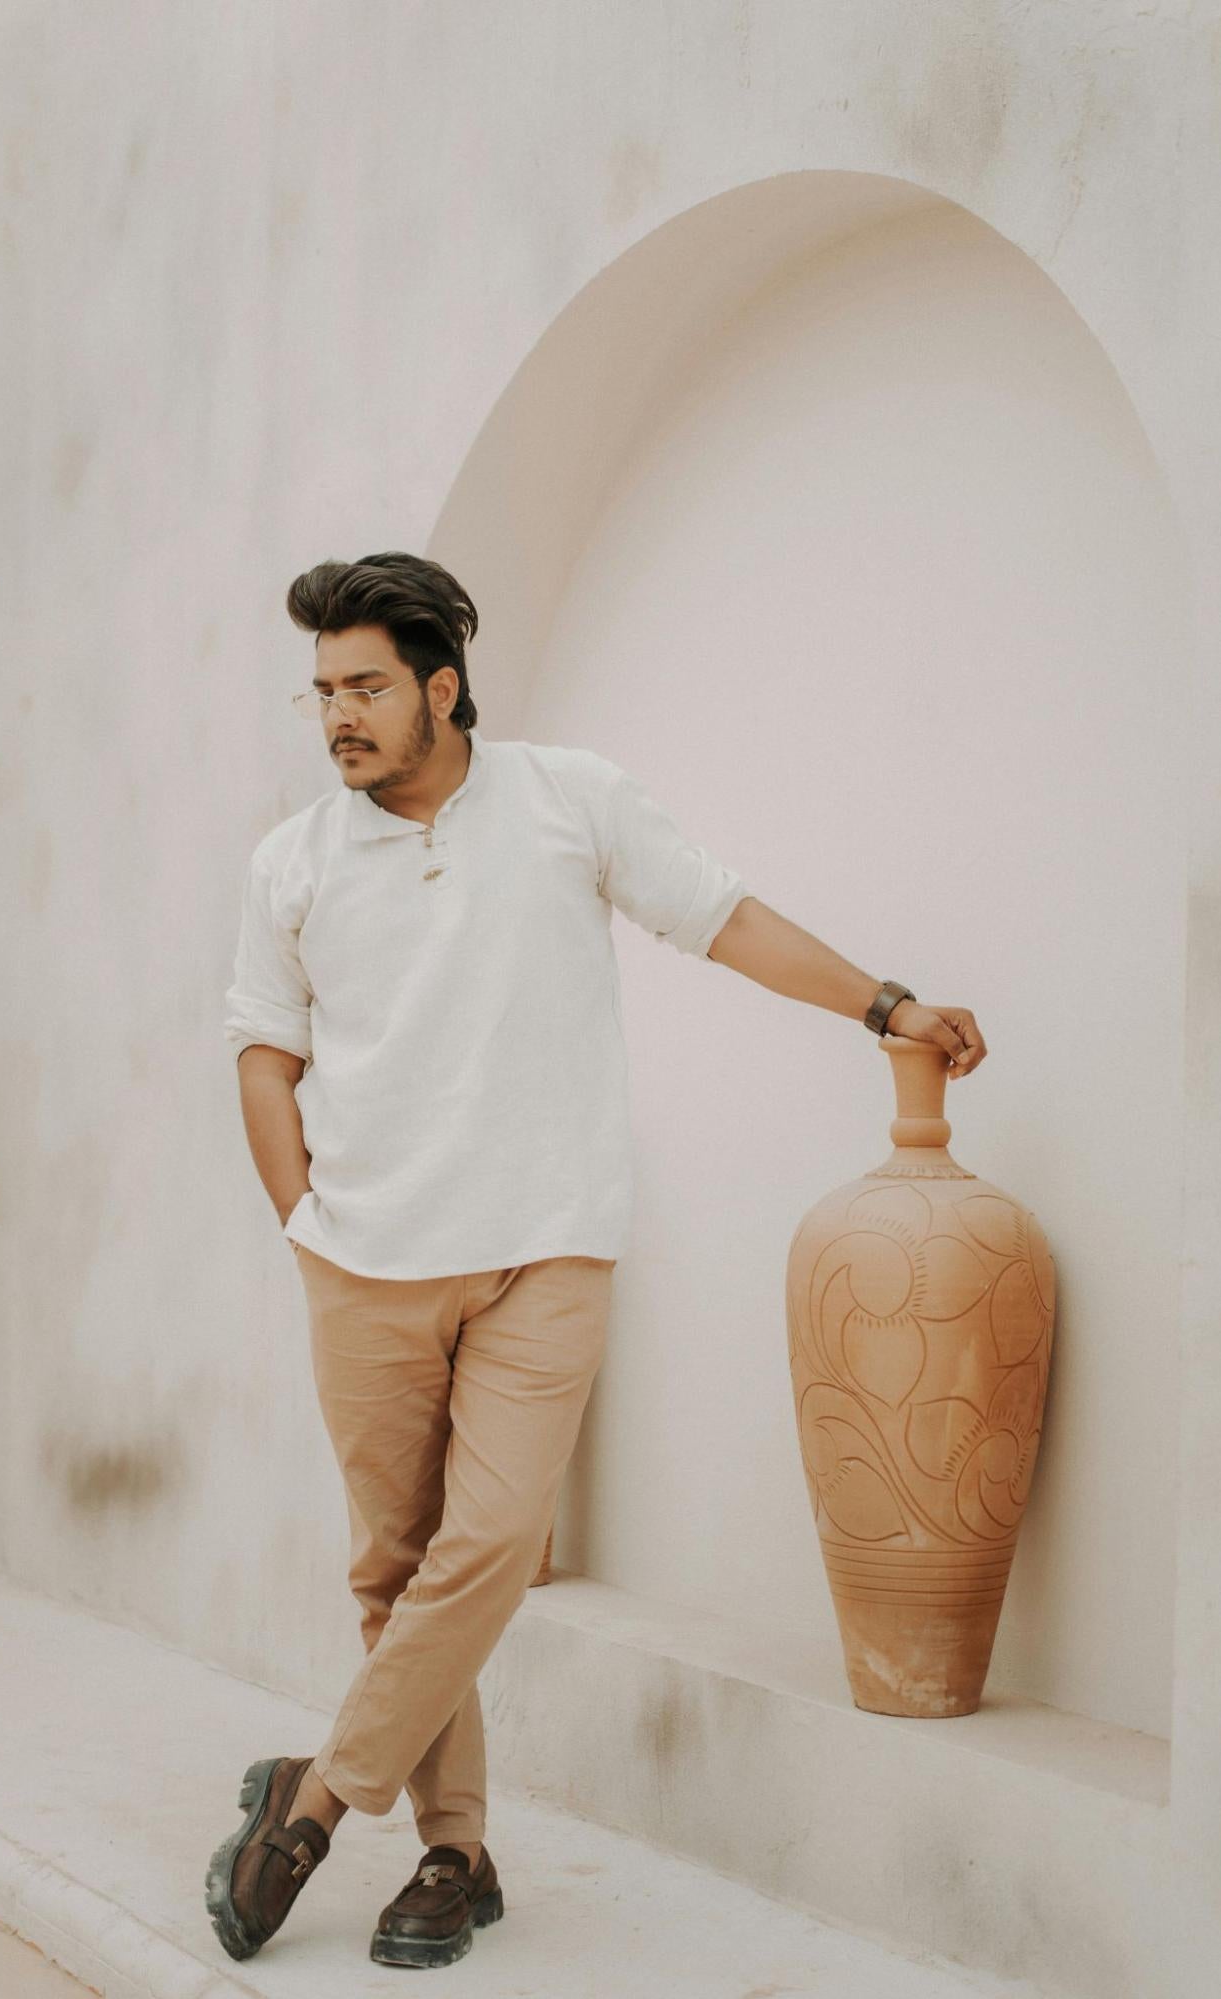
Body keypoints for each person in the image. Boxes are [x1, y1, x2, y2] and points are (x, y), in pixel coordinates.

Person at [206, 551, 986, 1971]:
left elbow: (724, 917)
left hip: (543, 1249)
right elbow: (262, 1045)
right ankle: (455, 1854)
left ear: (442, 687)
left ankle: (310, 1807)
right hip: (365, 1262)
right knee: (396, 1569)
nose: (337, 716)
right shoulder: (292, 862)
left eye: (366, 685)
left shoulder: (568, 799)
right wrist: (299, 1216)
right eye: (321, 691)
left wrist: (882, 1002)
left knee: (489, 1546)